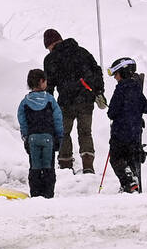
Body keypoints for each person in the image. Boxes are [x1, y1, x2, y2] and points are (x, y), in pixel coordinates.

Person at [42, 28, 104, 173]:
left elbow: (49, 84)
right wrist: (99, 91)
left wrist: (48, 103)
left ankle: (65, 165)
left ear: (50, 44)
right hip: (86, 100)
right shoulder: (82, 52)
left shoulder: (51, 59)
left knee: (64, 133)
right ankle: (88, 167)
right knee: (85, 133)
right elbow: (96, 72)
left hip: (65, 101)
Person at [106, 57, 147, 194]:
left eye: (116, 74)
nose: (115, 78)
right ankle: (132, 184)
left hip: (120, 132)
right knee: (131, 159)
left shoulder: (121, 89)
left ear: (124, 73)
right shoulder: (136, 89)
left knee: (116, 158)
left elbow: (112, 112)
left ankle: (129, 181)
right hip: (135, 133)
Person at [17, 68, 64, 199]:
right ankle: (48, 193)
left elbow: (22, 121)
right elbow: (58, 119)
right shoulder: (50, 100)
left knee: (35, 166)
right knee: (48, 166)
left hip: (32, 138)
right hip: (48, 137)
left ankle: (36, 193)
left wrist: (26, 136)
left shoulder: (24, 102)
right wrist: (59, 136)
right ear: (42, 81)